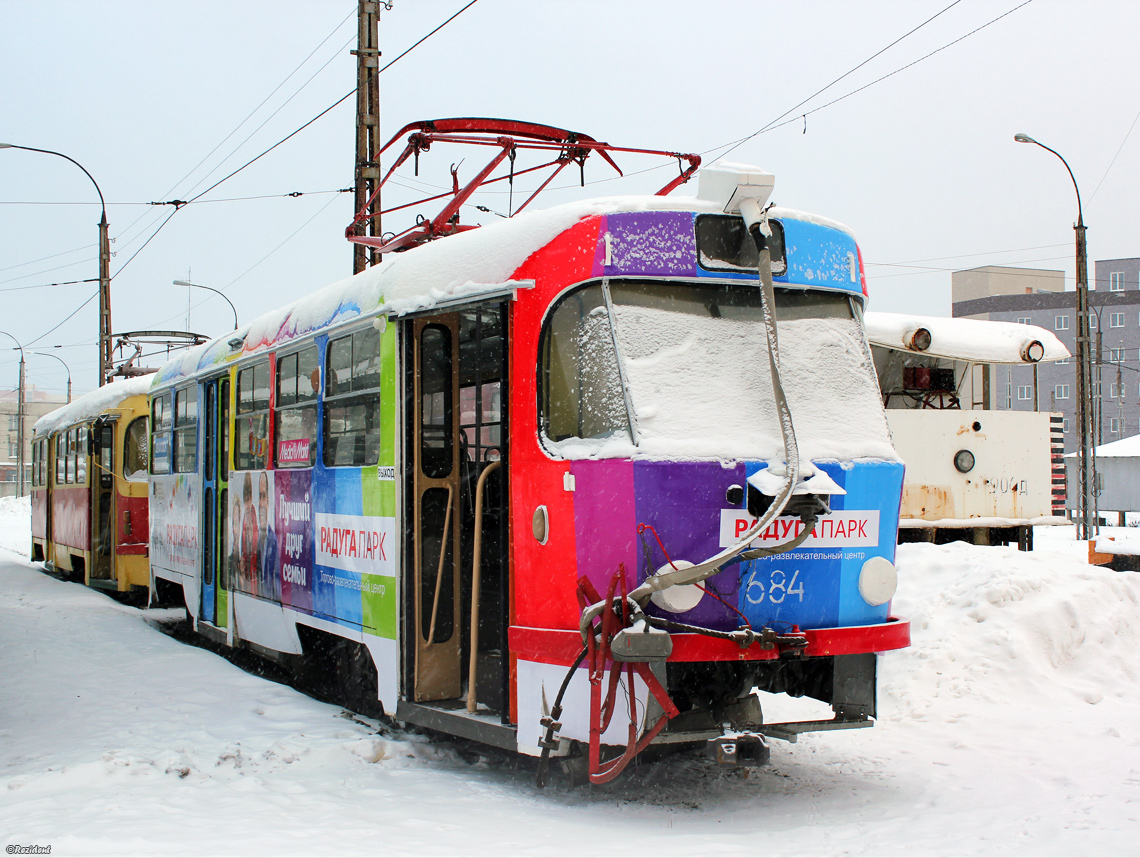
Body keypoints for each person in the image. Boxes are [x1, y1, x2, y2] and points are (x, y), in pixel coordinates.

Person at [258, 471, 279, 601]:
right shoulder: (257, 541)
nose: (261, 503)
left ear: (268, 501)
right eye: (259, 497)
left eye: (263, 496)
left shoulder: (274, 541)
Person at [240, 472, 260, 596]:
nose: (246, 503)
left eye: (248, 498)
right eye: (245, 498)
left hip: (252, 570)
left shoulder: (252, 517)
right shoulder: (246, 518)